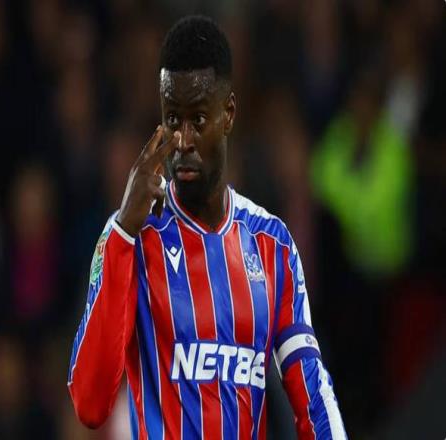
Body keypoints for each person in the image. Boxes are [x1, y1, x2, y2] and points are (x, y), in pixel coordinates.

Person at [68, 16, 346, 439]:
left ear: (228, 113)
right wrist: (123, 231)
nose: (182, 141)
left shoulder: (272, 245)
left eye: (198, 120)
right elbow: (89, 403)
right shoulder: (135, 236)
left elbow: (312, 391)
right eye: (172, 119)